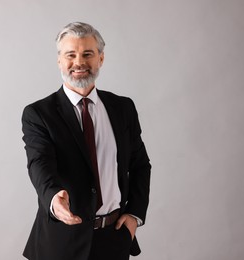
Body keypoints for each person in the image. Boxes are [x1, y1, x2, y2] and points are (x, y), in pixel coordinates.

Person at [21, 22, 151, 260]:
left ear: (100, 59)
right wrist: (52, 197)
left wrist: (135, 215)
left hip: (114, 239)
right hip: (61, 242)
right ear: (59, 60)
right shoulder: (39, 114)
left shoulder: (123, 108)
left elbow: (141, 165)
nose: (79, 62)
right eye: (70, 55)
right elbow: (39, 163)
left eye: (87, 54)